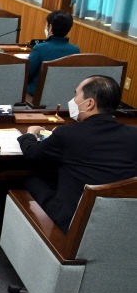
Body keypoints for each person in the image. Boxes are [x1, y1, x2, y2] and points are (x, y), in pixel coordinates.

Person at [17, 75, 137, 233]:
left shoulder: (68, 134)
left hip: (72, 224)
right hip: (121, 224)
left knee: (28, 179)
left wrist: (30, 134)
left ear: (89, 103)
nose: (73, 100)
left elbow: (32, 154)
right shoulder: (133, 135)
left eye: (76, 95)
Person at [27, 10, 80, 95]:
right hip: (61, 94)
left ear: (50, 27)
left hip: (36, 95)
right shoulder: (75, 50)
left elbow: (27, 74)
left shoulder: (40, 48)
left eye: (46, 25)